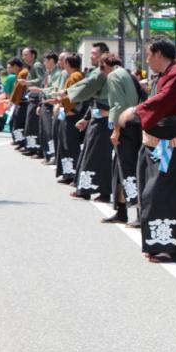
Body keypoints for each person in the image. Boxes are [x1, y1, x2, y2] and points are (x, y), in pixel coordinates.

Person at [118, 38, 176, 263]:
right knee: (149, 194)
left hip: (170, 147)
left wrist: (136, 110)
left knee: (164, 195)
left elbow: (164, 101)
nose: (146, 60)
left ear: (158, 54)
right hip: (153, 145)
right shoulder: (162, 76)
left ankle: (170, 248)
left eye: (148, 55)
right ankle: (157, 244)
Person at [100, 54, 142, 224]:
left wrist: (116, 130)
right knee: (119, 170)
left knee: (128, 169)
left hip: (126, 126)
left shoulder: (113, 76)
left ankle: (139, 212)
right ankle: (122, 210)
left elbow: (118, 105)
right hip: (136, 124)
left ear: (105, 65)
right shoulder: (128, 74)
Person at [68, 43, 113, 202]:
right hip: (97, 113)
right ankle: (85, 188)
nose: (91, 56)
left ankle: (103, 191)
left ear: (103, 55)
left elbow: (87, 88)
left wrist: (66, 93)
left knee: (100, 154)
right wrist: (86, 118)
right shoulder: (98, 71)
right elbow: (93, 97)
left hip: (106, 116)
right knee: (90, 151)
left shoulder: (103, 72)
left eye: (94, 53)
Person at [49, 54, 84, 183]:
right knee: (66, 146)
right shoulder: (77, 75)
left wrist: (60, 100)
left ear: (68, 64)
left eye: (64, 62)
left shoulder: (74, 77)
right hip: (70, 114)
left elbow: (72, 96)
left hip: (71, 115)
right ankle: (68, 173)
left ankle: (72, 174)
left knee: (70, 146)